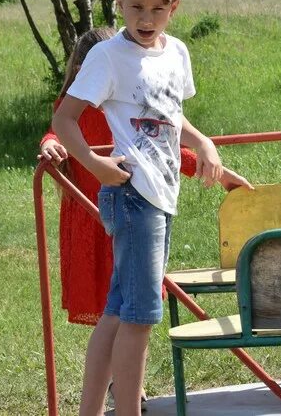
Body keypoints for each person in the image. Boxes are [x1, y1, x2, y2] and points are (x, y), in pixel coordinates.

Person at [51, 0, 250, 416]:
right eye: (136, 7)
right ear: (119, 3)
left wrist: (204, 145)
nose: (146, 17)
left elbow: (171, 116)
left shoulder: (176, 52)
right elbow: (65, 119)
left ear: (174, 6)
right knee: (141, 317)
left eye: (157, 9)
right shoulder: (108, 55)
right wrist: (96, 166)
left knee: (119, 311)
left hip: (162, 196)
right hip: (132, 195)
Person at [40, 27, 249, 327]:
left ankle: (115, 373)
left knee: (128, 307)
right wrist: (49, 145)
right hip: (90, 217)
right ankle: (112, 373)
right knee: (112, 309)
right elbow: (58, 130)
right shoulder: (74, 108)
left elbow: (163, 150)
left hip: (127, 213)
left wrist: (219, 172)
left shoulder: (123, 110)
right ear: (80, 71)